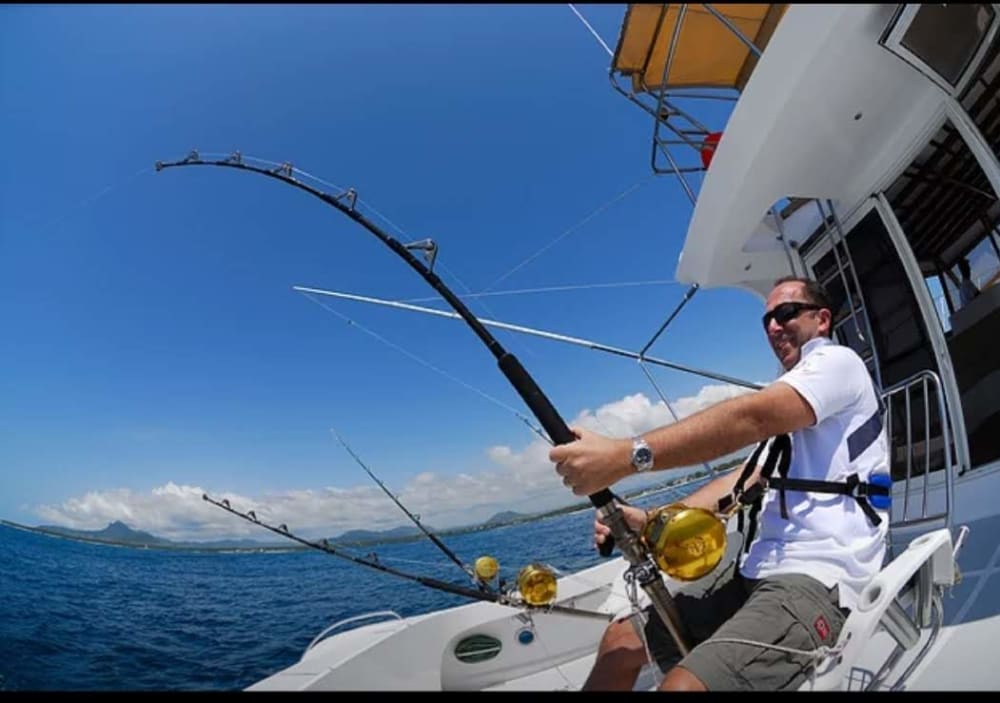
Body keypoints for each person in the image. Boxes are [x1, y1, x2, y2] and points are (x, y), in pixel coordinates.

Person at [549, 276, 889, 691]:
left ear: (821, 320)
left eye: (785, 313)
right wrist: (649, 519)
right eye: (766, 320)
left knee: (680, 687)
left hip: (819, 577)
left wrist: (623, 457)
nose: (773, 327)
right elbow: (742, 481)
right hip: (755, 568)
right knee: (620, 641)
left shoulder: (838, 362)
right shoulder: (799, 407)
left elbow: (752, 418)